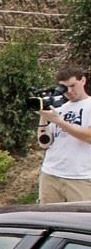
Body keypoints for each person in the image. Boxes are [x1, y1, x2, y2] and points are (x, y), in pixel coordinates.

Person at [39, 66, 91, 203]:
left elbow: (89, 136)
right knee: (48, 220)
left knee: (80, 221)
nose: (70, 91)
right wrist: (43, 116)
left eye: (73, 85)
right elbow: (44, 143)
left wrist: (59, 122)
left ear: (83, 81)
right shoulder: (59, 108)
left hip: (80, 177)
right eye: (64, 88)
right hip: (51, 173)